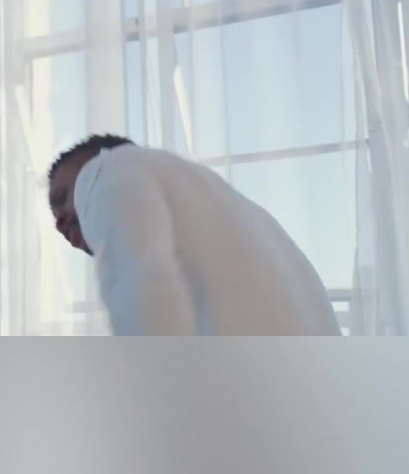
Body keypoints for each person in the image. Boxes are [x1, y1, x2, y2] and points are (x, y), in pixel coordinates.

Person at [47, 134, 341, 336]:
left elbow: (145, 291)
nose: (59, 223)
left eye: (61, 197)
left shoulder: (106, 169)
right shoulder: (252, 222)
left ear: (94, 159)